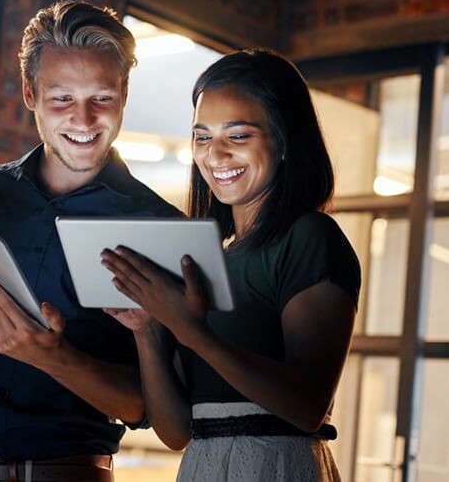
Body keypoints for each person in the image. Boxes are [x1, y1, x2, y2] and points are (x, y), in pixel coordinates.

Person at [0, 0, 182, 482]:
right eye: (62, 99)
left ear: (125, 93)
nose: (84, 119)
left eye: (102, 99)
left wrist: (53, 356)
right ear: (30, 92)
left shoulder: (158, 228)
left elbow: (147, 409)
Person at [100, 48, 361, 481]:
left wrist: (191, 331)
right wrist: (148, 330)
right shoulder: (204, 258)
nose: (215, 155)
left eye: (238, 136)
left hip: (276, 467)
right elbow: (177, 430)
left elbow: (308, 406)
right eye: (202, 137)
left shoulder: (310, 237)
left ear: (284, 141)